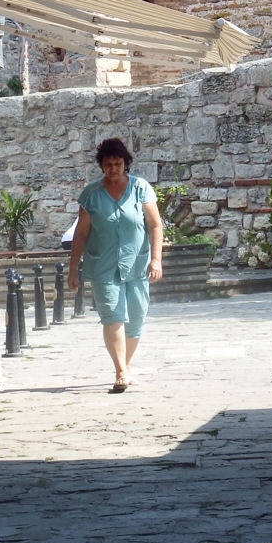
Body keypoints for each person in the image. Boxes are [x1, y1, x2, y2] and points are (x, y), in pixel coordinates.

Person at [67, 137, 164, 393]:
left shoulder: (140, 189)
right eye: (108, 164)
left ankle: (125, 365)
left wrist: (156, 259)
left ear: (126, 164)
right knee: (113, 315)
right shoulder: (91, 194)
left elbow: (155, 225)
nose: (113, 169)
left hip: (137, 264)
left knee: (136, 317)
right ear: (102, 166)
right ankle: (120, 370)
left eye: (118, 164)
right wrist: (73, 269)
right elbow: (81, 234)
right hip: (103, 265)